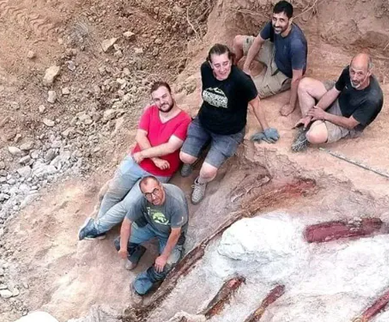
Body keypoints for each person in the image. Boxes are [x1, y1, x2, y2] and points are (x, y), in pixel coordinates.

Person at [78, 82, 192, 240]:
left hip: (157, 173)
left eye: (164, 96)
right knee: (113, 193)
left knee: (129, 204)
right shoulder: (150, 111)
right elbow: (140, 136)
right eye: (157, 99)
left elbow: (171, 147)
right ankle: (101, 229)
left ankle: (96, 228)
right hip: (137, 161)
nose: (162, 101)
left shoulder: (183, 120)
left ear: (171, 94)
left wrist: (146, 155)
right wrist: (153, 158)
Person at [179, 43, 279, 204]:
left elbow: (256, 103)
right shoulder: (205, 70)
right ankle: (196, 154)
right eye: (217, 65)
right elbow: (207, 92)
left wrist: (266, 128)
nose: (222, 69)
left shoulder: (241, 81)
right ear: (210, 64)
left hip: (228, 132)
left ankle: (200, 182)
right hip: (204, 122)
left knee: (207, 171)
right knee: (185, 157)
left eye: (225, 63)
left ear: (231, 60)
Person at [291, 52, 384, 151]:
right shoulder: (347, 72)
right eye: (352, 71)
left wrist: (324, 115)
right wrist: (311, 114)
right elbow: (334, 91)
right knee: (304, 84)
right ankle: (310, 121)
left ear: (369, 72)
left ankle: (312, 126)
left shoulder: (372, 99)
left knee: (312, 135)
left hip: (347, 120)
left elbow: (350, 123)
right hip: (340, 99)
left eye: (360, 73)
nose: (354, 77)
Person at [114, 176, 188, 296]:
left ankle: (140, 284)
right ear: (143, 195)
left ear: (161, 186)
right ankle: (136, 254)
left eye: (155, 191)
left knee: (162, 267)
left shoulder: (175, 203)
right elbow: (126, 223)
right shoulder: (143, 200)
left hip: (170, 235)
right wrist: (123, 248)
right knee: (120, 242)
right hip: (151, 226)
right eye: (148, 194)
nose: (153, 197)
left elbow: (175, 233)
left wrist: (164, 257)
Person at [233, 0, 308, 116]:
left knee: (243, 90)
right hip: (275, 52)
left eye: (282, 20)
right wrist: (246, 68)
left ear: (290, 20)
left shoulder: (296, 45)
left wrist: (291, 105)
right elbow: (258, 42)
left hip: (283, 73)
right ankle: (233, 66)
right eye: (275, 18)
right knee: (238, 40)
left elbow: (297, 78)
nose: (277, 24)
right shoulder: (274, 25)